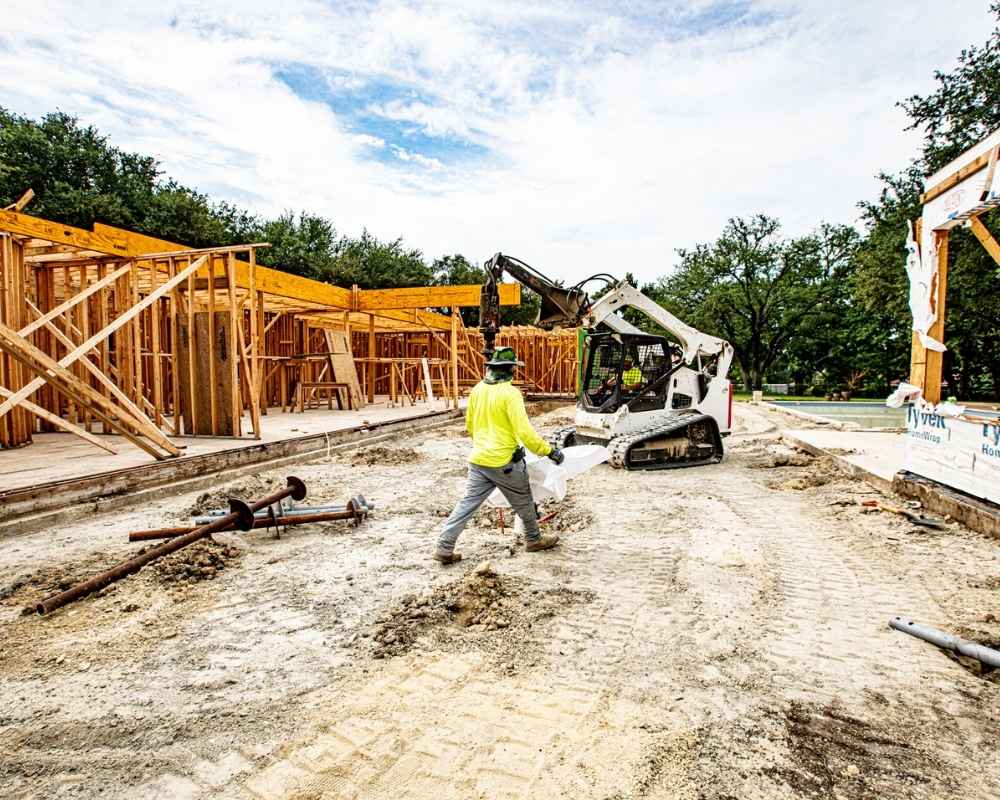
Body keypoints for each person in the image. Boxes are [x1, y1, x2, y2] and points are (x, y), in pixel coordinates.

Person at [434, 346, 565, 565]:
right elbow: (525, 432)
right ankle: (534, 540)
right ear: (510, 369)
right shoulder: (510, 394)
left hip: (478, 459)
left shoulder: (477, 390)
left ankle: (444, 547)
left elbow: (470, 425)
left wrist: (484, 446)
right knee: (524, 501)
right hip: (504, 463)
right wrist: (549, 451)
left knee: (467, 504)